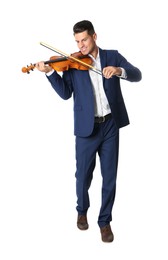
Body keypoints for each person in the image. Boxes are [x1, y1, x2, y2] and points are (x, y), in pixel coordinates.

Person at [36, 20, 142, 243]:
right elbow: (65, 93)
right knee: (82, 176)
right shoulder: (73, 62)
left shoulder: (112, 56)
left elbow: (136, 74)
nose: (81, 45)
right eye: (77, 41)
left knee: (110, 177)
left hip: (111, 124)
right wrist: (49, 73)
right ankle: (82, 209)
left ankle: (105, 222)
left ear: (95, 37)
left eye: (84, 40)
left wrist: (119, 70)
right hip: (86, 128)